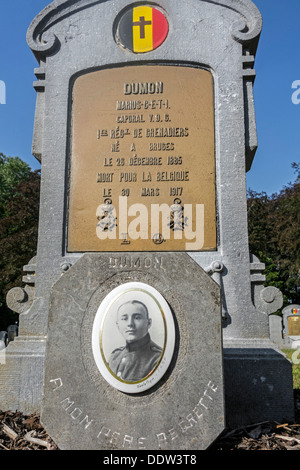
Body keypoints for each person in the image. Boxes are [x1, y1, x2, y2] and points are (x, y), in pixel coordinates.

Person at [108, 300, 162, 382]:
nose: (130, 323)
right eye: (124, 318)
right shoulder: (114, 357)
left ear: (149, 323)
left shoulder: (157, 358)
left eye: (137, 318)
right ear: (118, 325)